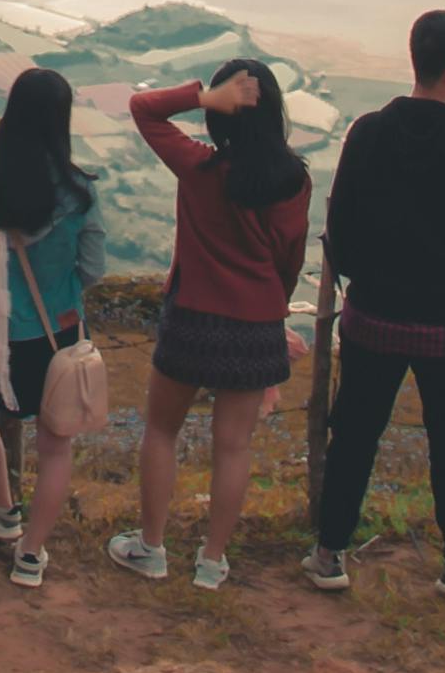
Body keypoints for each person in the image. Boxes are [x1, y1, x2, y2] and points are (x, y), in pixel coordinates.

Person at [306, 9, 445, 597]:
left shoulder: (368, 133)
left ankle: (329, 554)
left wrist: (360, 279)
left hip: (374, 316)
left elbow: (338, 226)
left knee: (353, 436)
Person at [108, 58, 310, 590]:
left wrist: (204, 97)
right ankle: (212, 563)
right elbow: (289, 259)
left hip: (193, 316)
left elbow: (142, 109)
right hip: (256, 323)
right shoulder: (295, 181)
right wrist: (274, 308)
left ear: (224, 118)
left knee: (161, 430)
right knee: (234, 446)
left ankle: (151, 548)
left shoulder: (199, 169)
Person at [0, 66, 107, 589]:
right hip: (59, 337)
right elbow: (95, 270)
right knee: (56, 444)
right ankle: (31, 556)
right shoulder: (81, 193)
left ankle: (1, 509)